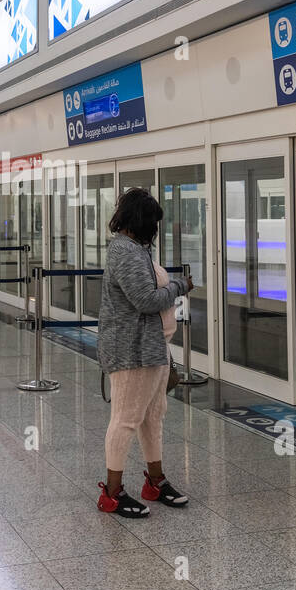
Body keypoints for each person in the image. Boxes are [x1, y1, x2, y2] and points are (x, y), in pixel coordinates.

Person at [96, 188, 193, 518]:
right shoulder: (126, 252)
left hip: (151, 349)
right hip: (132, 351)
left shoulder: (133, 249)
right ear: (142, 221)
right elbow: (147, 301)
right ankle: (111, 493)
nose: (155, 229)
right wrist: (179, 287)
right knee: (125, 419)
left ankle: (155, 481)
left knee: (152, 416)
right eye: (153, 222)